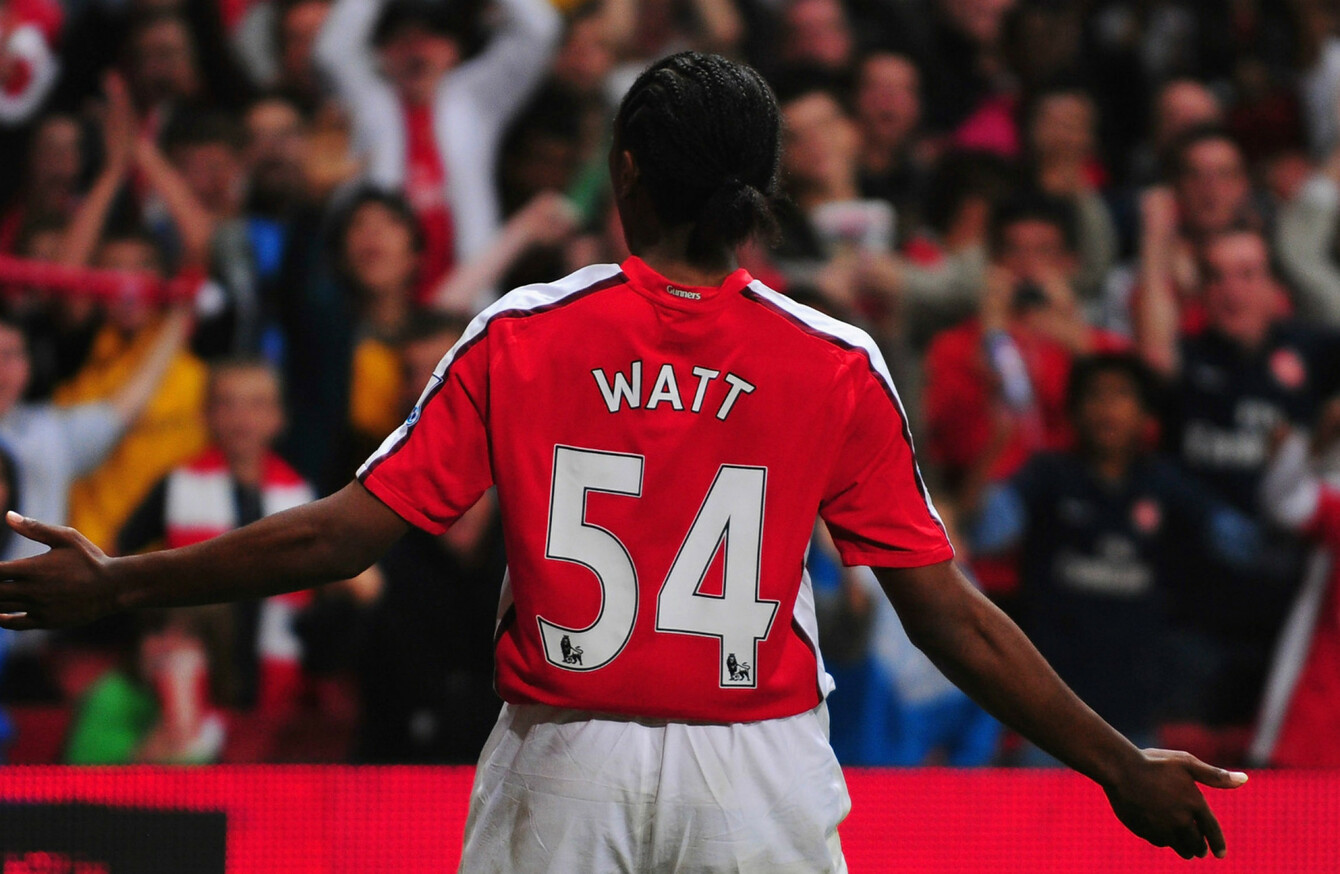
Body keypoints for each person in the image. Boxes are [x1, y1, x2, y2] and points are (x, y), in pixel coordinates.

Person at [0, 53, 1244, 869]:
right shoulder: (834, 359)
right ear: (757, 194)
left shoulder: (526, 331)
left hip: (565, 764)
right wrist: (1114, 763)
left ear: (626, 174)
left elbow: (342, 535)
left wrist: (119, 583)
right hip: (754, 774)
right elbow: (943, 614)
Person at [973, 353, 1259, 759]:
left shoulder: (1165, 483)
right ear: (1074, 411)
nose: (1107, 409)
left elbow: (1245, 545)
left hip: (1135, 708)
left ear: (1145, 415)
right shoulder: (1047, 475)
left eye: (1121, 396)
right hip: (1047, 711)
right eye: (1095, 396)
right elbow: (986, 534)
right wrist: (995, 446)